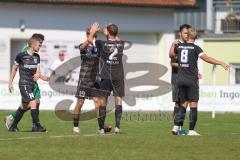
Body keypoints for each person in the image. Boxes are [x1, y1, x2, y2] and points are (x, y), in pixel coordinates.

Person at [172, 27, 229, 136]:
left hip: (180, 80)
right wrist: (221, 63)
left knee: (183, 104)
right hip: (191, 80)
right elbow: (207, 58)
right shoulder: (196, 48)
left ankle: (176, 126)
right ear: (196, 37)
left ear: (187, 36)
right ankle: (192, 131)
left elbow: (172, 55)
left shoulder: (179, 47)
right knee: (193, 105)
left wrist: (176, 45)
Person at [4, 35, 49, 130]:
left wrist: (40, 75)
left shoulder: (37, 57)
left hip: (32, 84)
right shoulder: (21, 55)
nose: (40, 46)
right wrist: (10, 82)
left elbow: (38, 70)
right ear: (33, 43)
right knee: (33, 102)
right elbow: (14, 68)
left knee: (25, 105)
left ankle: (13, 125)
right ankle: (37, 126)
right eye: (39, 44)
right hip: (24, 84)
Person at [88, 23, 125, 134]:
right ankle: (117, 127)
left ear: (108, 32)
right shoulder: (121, 44)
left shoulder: (101, 43)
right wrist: (110, 30)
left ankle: (101, 129)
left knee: (103, 101)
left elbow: (90, 39)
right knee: (118, 100)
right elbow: (116, 38)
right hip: (118, 76)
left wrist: (93, 30)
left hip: (106, 76)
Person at [73, 26, 110, 134]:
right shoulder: (83, 45)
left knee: (98, 102)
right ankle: (75, 126)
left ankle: (101, 128)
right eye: (92, 33)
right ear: (88, 34)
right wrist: (92, 34)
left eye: (94, 33)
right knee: (80, 103)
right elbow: (84, 46)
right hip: (84, 79)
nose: (94, 35)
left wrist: (108, 34)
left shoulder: (98, 46)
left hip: (95, 79)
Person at [169, 24, 191, 135]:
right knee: (178, 104)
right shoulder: (176, 45)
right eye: (185, 33)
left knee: (183, 103)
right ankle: (178, 128)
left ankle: (178, 128)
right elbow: (172, 63)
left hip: (187, 79)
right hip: (176, 78)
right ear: (180, 33)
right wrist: (184, 65)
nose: (187, 35)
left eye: (188, 33)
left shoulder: (190, 46)